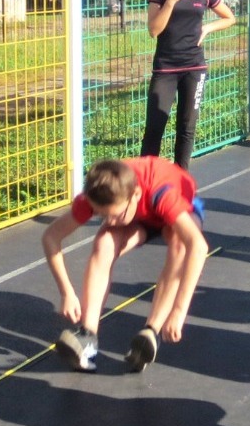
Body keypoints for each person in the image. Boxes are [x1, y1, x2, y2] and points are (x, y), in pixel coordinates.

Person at [42, 157, 209, 373]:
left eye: (115, 215)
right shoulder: (95, 196)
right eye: (102, 215)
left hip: (178, 207)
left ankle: (151, 332)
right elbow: (51, 237)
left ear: (136, 195)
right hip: (140, 216)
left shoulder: (163, 195)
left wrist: (179, 311)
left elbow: (198, 246)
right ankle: (87, 337)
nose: (109, 222)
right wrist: (66, 292)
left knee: (180, 244)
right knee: (104, 241)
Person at [140, 0, 236, 170]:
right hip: (165, 68)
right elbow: (154, 30)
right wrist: (171, 1)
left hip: (194, 67)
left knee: (187, 127)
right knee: (154, 127)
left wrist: (208, 27)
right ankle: (145, 180)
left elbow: (230, 17)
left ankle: (180, 178)